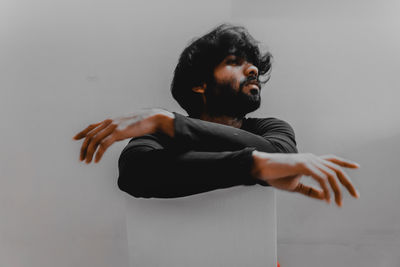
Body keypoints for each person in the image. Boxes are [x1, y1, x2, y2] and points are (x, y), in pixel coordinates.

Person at [73, 24, 360, 207]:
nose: (253, 71)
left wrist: (169, 122)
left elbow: (280, 155)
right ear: (199, 83)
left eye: (253, 66)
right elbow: (136, 173)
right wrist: (253, 167)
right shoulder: (157, 134)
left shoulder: (270, 128)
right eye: (234, 62)